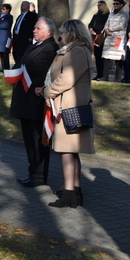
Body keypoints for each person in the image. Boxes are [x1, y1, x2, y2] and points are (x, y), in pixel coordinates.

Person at [41, 19, 96, 208]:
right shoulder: (73, 50)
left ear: (72, 33)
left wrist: (47, 91)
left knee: (67, 151)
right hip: (66, 105)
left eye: (63, 32)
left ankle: (70, 193)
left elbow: (67, 79)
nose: (60, 36)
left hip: (70, 107)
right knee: (70, 152)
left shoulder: (77, 51)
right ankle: (73, 190)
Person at [10, 17, 59, 188]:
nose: (34, 30)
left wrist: (20, 72)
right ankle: (33, 173)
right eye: (35, 28)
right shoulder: (35, 45)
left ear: (49, 32)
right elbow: (21, 62)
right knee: (29, 140)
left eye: (38, 28)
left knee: (38, 141)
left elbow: (38, 70)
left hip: (35, 102)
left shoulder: (51, 48)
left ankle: (38, 176)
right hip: (25, 100)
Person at [102, 0, 128, 82]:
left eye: (117, 4)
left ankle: (117, 78)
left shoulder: (124, 14)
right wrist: (106, 29)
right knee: (106, 57)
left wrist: (110, 29)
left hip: (118, 38)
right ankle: (105, 76)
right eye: (114, 4)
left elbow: (122, 25)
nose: (115, 5)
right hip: (109, 38)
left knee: (118, 58)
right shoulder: (111, 14)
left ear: (121, 5)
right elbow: (106, 23)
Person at [12, 1, 39, 68]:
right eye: (21, 4)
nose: (21, 6)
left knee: (23, 53)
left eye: (23, 5)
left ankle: (22, 68)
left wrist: (30, 36)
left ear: (28, 6)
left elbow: (32, 26)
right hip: (17, 39)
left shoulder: (31, 15)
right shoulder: (19, 16)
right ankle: (18, 66)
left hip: (25, 39)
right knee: (15, 53)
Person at [88, 1, 110, 80]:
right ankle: (98, 73)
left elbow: (106, 25)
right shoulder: (96, 15)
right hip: (94, 37)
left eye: (100, 5)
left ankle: (103, 74)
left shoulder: (107, 15)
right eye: (98, 5)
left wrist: (99, 31)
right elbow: (90, 24)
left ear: (104, 5)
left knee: (101, 57)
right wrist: (91, 29)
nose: (98, 7)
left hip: (101, 37)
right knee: (97, 56)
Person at [0, 3, 13, 70]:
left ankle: (6, 67)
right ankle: (3, 67)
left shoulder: (9, 17)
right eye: (2, 8)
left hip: (4, 37)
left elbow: (5, 25)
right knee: (1, 53)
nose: (2, 10)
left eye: (3, 9)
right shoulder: (0, 16)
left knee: (5, 53)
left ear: (8, 10)